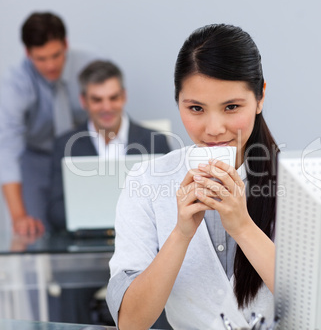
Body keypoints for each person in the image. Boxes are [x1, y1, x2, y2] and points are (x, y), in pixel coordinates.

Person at [106, 24, 279, 330]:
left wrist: (242, 227)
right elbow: (131, 322)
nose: (213, 128)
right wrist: (181, 234)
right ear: (178, 103)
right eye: (196, 108)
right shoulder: (146, 181)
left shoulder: (299, 184)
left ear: (260, 97)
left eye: (232, 107)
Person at [0, 12, 98, 236]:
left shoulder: (91, 65)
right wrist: (19, 217)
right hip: (37, 159)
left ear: (66, 44)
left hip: (82, 156)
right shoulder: (15, 83)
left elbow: (108, 114)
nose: (51, 65)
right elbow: (7, 149)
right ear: (27, 54)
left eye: (56, 55)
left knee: (92, 224)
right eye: (41, 59)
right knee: (34, 231)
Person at [48, 60, 171, 232]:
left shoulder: (155, 141)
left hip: (146, 243)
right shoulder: (66, 145)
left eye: (113, 98)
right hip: (86, 246)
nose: (107, 107)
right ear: (83, 101)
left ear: (124, 96)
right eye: (97, 100)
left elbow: (169, 202)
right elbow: (56, 211)